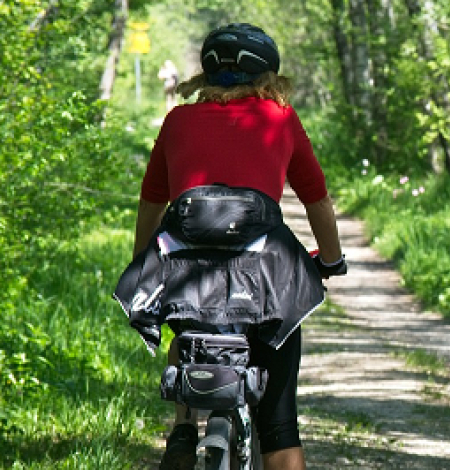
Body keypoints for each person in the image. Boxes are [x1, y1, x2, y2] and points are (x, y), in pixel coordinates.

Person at [128, 23, 346, 470]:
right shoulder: (279, 118)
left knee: (183, 320)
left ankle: (184, 425)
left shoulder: (177, 120)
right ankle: (269, 433)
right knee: (280, 424)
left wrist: (141, 264)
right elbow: (316, 199)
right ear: (267, 76)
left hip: (186, 273)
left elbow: (152, 202)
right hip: (264, 277)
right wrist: (331, 259)